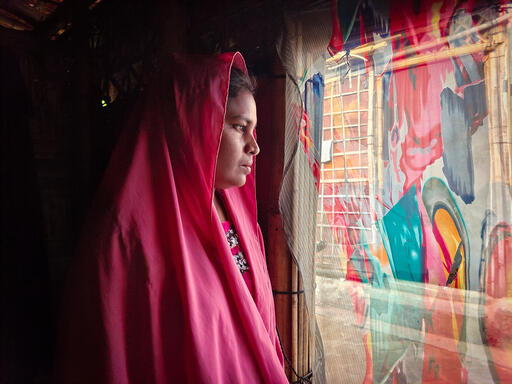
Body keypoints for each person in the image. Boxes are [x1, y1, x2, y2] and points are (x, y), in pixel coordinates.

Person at [56, 52, 289, 383]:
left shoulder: (237, 213)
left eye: (254, 130)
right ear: (193, 126)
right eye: (239, 127)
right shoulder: (124, 240)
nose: (255, 147)